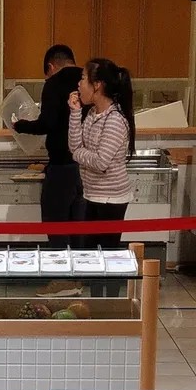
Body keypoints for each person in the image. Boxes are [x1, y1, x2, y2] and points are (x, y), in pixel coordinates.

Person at [12, 44, 85, 236]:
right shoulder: (89, 80)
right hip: (88, 168)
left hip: (62, 166)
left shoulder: (53, 83)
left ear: (51, 67)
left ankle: (58, 263)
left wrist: (21, 125)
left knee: (56, 229)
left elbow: (47, 124)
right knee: (81, 231)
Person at [68, 58, 136, 249]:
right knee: (90, 252)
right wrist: (75, 113)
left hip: (111, 199)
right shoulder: (91, 114)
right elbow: (74, 146)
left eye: (83, 79)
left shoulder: (115, 119)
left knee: (106, 253)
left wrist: (78, 154)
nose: (79, 85)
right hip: (93, 194)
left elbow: (100, 162)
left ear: (97, 85)